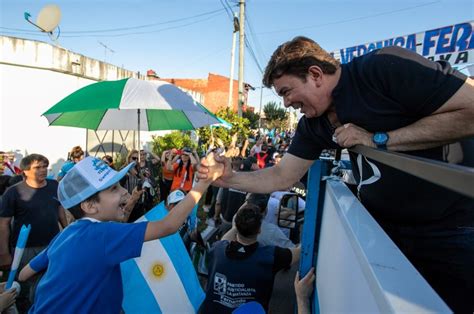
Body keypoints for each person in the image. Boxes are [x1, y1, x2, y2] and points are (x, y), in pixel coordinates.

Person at [198, 37, 474, 312]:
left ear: (315, 74)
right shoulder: (314, 124)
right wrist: (229, 178)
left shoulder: (382, 67)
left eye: (286, 91)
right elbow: (282, 175)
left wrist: (379, 139)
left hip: (450, 227)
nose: (285, 104)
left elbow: (470, 109)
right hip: (384, 232)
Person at [18, 153, 223, 313]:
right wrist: (203, 183)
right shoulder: (103, 235)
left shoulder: (67, 234)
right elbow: (168, 225)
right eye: (114, 189)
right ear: (89, 205)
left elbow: (24, 272)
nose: (124, 192)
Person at [200, 204, 300, 313]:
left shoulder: (217, 249)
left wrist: (236, 227)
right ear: (259, 230)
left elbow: (224, 240)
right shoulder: (271, 256)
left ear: (236, 227)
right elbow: (299, 252)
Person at [0, 154, 68, 310]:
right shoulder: (13, 192)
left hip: (52, 244)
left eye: (45, 166)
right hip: (24, 249)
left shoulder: (54, 185)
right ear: (25, 171)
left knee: (50, 283)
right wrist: (4, 253)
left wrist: (66, 229)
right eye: (38, 167)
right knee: (23, 288)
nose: (43, 170)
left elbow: (59, 210)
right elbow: (3, 224)